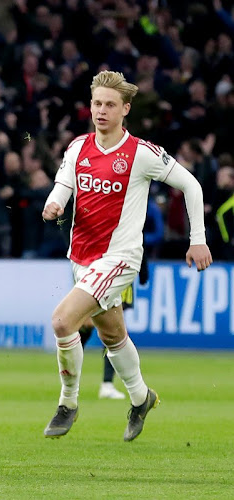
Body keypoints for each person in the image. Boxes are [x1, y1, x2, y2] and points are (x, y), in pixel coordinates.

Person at [42, 70, 212, 441]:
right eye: (97, 104)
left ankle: (67, 403)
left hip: (119, 258)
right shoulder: (77, 147)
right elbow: (64, 183)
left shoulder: (142, 154)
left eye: (109, 105)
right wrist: (54, 203)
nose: (101, 111)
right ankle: (141, 398)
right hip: (81, 257)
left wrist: (196, 239)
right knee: (112, 333)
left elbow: (191, 184)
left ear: (125, 109)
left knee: (61, 322)